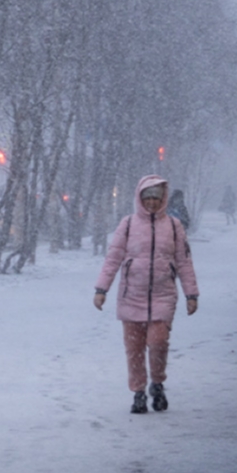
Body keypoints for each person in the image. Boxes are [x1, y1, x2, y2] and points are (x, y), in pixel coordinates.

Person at [92, 176, 200, 414]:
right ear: (140, 198)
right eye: (147, 197)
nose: (152, 202)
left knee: (158, 342)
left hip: (163, 295)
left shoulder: (173, 226)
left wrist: (191, 294)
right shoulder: (128, 224)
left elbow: (184, 261)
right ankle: (138, 392)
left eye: (156, 197)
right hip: (132, 296)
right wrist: (101, 290)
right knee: (134, 348)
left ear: (163, 200)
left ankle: (158, 383)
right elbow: (113, 259)